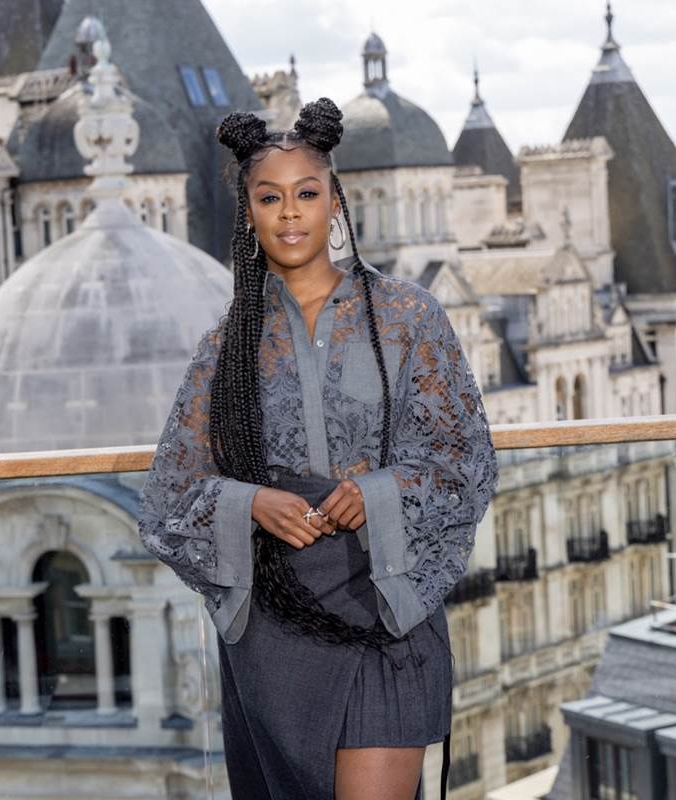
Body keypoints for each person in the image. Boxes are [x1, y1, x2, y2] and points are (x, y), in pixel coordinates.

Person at [137, 97, 499, 800]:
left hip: (388, 603)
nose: (290, 213)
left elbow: (466, 460)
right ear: (248, 214)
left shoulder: (409, 317)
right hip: (276, 623)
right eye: (269, 197)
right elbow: (168, 499)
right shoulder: (226, 346)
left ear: (336, 202)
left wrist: (379, 491)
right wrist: (249, 502)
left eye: (307, 193)